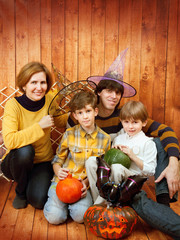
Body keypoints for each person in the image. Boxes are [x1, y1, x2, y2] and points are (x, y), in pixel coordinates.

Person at [67, 52, 180, 238]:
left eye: (118, 92)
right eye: (109, 91)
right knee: (81, 213)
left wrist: (174, 163)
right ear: (98, 92)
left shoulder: (125, 118)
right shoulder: (83, 115)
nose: (114, 96)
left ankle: (162, 197)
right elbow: (70, 150)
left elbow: (165, 130)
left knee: (160, 142)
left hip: (123, 173)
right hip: (95, 175)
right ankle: (109, 202)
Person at [1, 61, 68, 209]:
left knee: (38, 201)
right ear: (24, 85)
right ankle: (20, 191)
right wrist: (39, 126)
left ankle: (31, 181)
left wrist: (77, 113)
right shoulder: (13, 105)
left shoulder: (50, 99)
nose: (39, 87)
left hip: (42, 161)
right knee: (26, 150)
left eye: (43, 82)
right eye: (33, 82)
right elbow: (10, 141)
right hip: (16, 161)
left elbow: (58, 121)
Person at [43, 90, 111, 225]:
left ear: (95, 111)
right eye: (80, 113)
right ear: (75, 116)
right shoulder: (69, 134)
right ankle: (60, 207)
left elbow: (102, 169)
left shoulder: (105, 139)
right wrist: (58, 171)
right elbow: (58, 159)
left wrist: (85, 184)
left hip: (81, 186)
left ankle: (72, 207)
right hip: (62, 182)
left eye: (88, 111)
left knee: (81, 217)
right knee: (55, 218)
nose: (85, 116)